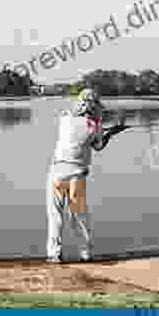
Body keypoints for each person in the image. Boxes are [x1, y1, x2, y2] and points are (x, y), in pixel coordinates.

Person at [46, 87, 129, 263]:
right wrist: (113, 132)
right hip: (77, 175)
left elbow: (79, 126)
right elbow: (97, 145)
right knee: (79, 216)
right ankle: (85, 254)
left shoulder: (65, 118)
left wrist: (102, 127)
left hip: (56, 173)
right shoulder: (95, 126)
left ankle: (54, 255)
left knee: (56, 216)